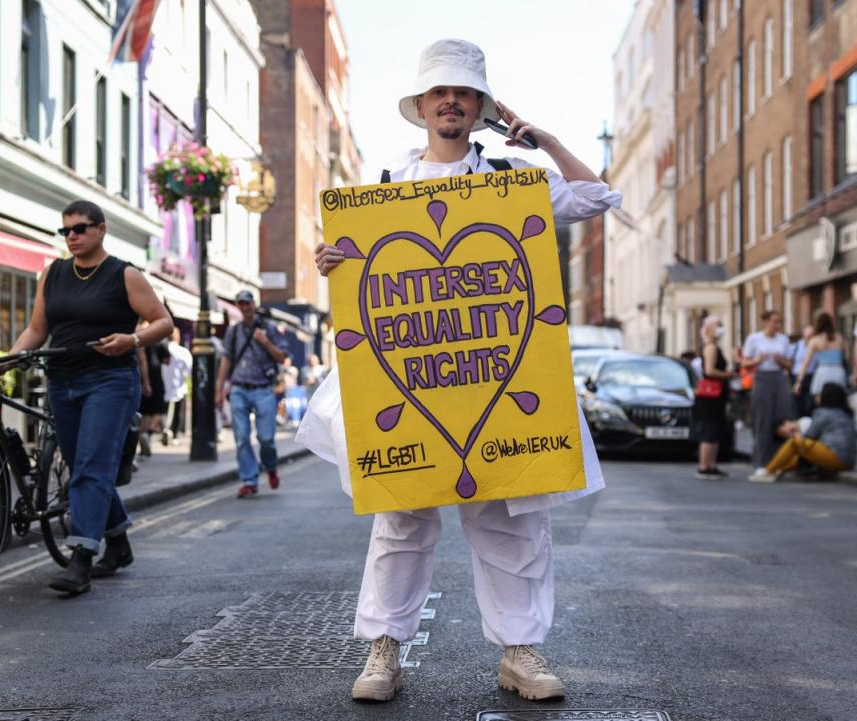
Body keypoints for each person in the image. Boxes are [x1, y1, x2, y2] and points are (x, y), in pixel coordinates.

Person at [304, 39, 621, 703]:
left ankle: (520, 651)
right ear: (421, 107)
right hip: (410, 379)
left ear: (481, 107)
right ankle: (384, 650)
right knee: (400, 515)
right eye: (439, 92)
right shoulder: (384, 186)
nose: (451, 101)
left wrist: (546, 139)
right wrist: (332, 260)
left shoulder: (515, 175)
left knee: (512, 512)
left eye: (464, 92)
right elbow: (355, 265)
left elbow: (597, 198)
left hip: (497, 375)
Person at [0, 200, 172, 594]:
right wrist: (8, 361)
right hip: (62, 381)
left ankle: (81, 558)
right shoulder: (52, 274)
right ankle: (118, 544)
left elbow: (163, 322)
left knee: (89, 467)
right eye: (65, 230)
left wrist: (132, 340)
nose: (72, 236)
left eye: (80, 229)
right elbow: (37, 329)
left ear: (101, 230)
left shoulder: (124, 275)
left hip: (110, 381)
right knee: (83, 467)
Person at [214, 290, 289, 498]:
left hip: (263, 388)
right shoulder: (233, 331)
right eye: (241, 304)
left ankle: (271, 467)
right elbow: (226, 360)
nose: (245, 308)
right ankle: (249, 480)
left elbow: (282, 357)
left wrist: (265, 341)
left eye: (248, 304)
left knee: (266, 438)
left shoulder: (269, 328)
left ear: (254, 304)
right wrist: (219, 390)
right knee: (241, 438)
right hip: (239, 388)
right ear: (238, 306)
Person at [749, 382, 856, 482]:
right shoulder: (845, 413)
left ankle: (768, 471)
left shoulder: (823, 412)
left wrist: (797, 435)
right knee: (805, 450)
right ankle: (777, 470)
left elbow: (810, 436)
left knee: (795, 443)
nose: (817, 396)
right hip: (848, 461)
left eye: (820, 394)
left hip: (835, 456)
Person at [742, 310, 795, 476]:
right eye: (774, 321)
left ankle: (780, 461)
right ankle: (761, 462)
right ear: (765, 322)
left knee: (781, 418)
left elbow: (790, 365)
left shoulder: (784, 340)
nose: (777, 325)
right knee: (763, 420)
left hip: (779, 377)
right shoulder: (754, 339)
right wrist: (758, 360)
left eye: (779, 322)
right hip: (762, 376)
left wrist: (781, 361)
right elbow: (745, 363)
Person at [693, 316, 734, 479]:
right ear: (709, 328)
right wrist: (727, 374)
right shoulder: (711, 347)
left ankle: (711, 465)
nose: (721, 328)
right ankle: (704, 466)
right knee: (709, 429)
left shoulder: (713, 346)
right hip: (711, 395)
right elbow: (709, 371)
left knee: (716, 428)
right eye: (718, 325)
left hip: (716, 395)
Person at [794, 311, 847, 405]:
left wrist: (799, 381)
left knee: (820, 400)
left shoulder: (815, 340)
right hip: (838, 370)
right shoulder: (839, 338)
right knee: (838, 399)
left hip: (823, 371)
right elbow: (846, 356)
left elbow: (806, 363)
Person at [137, 327, 169, 457]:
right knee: (159, 411)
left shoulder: (138, 334)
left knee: (144, 413)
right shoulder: (159, 338)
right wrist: (147, 382)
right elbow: (166, 360)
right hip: (154, 379)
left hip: (141, 379)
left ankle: (142, 440)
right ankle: (147, 434)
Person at [162, 328, 192, 445]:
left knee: (165, 410)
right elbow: (189, 371)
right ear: (177, 337)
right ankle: (174, 434)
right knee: (177, 412)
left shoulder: (163, 348)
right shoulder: (183, 352)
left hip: (164, 385)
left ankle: (165, 429)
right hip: (178, 386)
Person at [790, 326, 817, 418]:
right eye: (808, 335)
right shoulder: (797, 345)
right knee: (798, 404)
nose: (810, 337)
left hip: (811, 376)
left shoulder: (816, 346)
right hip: (797, 376)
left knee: (810, 404)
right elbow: (791, 360)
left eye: (812, 335)